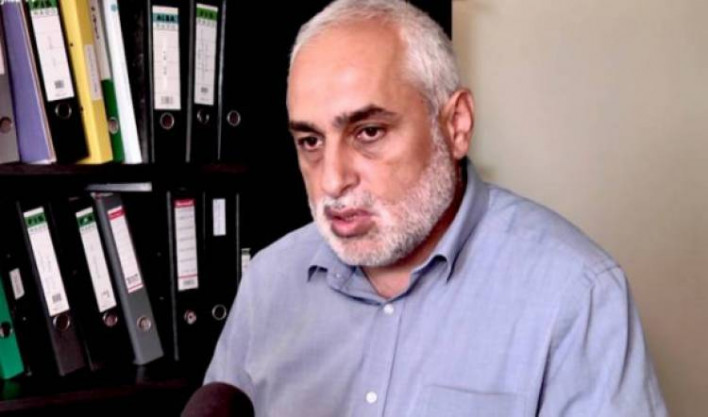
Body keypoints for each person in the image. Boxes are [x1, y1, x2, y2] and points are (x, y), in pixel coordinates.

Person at [204, 0, 667, 415]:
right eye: (310, 141)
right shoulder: (269, 282)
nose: (332, 180)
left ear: (456, 125)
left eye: (368, 132)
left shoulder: (575, 292)